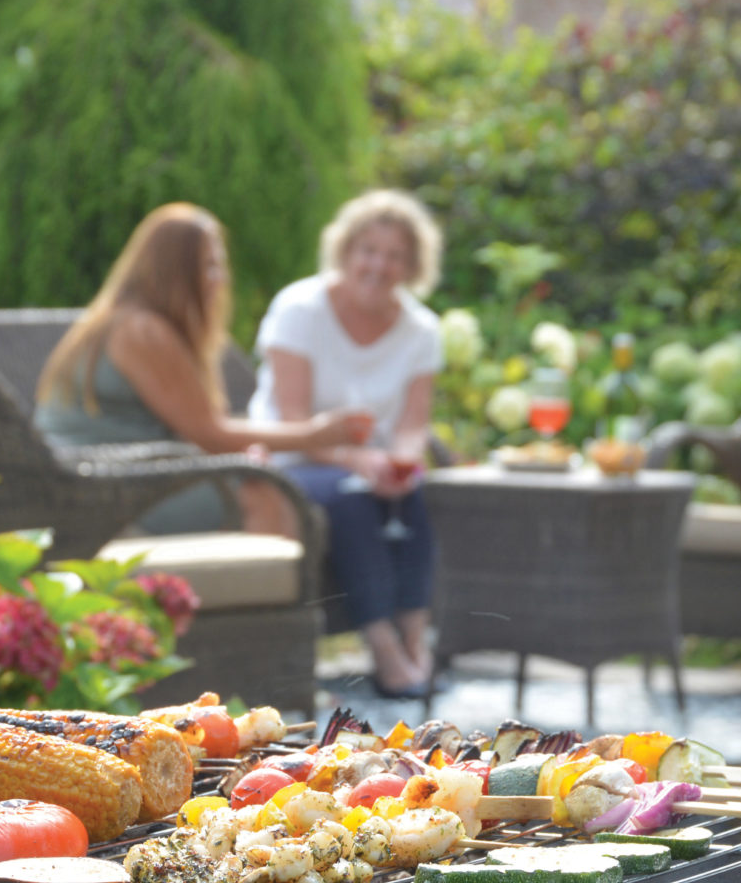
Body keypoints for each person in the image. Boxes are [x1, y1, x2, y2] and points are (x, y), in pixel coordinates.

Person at [34, 202, 372, 535]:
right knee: (263, 493)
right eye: (209, 267)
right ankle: (272, 590)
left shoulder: (123, 320)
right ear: (174, 272)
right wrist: (318, 434)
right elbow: (209, 433)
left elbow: (202, 428)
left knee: (259, 478)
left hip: (104, 472)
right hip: (101, 483)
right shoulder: (144, 332)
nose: (220, 279)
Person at [248, 189, 444, 699]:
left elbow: (413, 422)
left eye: (395, 254)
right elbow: (292, 417)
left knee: (413, 496)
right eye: (369, 250)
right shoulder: (299, 308)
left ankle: (417, 643)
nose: (379, 265)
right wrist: (360, 461)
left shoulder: (422, 329)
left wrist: (402, 461)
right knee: (351, 495)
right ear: (347, 251)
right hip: (291, 459)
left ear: (411, 265)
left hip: (368, 463)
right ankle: (383, 648)